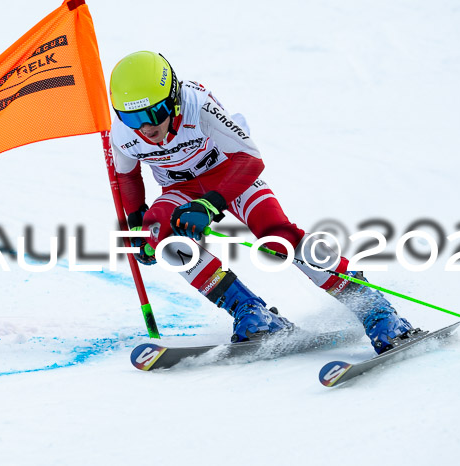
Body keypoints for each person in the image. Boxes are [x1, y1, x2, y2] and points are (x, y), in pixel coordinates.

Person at [109, 51, 414, 353]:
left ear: (173, 99)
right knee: (159, 233)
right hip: (181, 188)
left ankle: (376, 310)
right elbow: (127, 178)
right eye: (132, 117)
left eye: (154, 113)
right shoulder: (123, 133)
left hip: (229, 174)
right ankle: (251, 312)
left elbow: (250, 159)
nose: (146, 127)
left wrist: (211, 204)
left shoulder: (197, 105)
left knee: (277, 238)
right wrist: (136, 223)